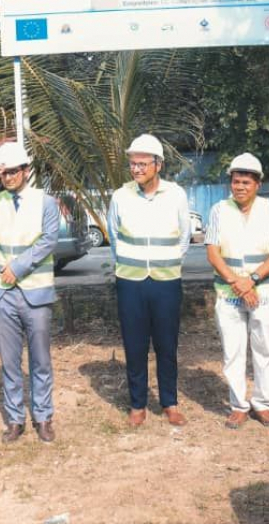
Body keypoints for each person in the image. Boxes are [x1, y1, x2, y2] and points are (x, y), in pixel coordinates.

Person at [0, 142, 58, 444]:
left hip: (35, 291)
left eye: (13, 171)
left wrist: (19, 267)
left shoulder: (45, 202)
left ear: (26, 171)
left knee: (40, 360)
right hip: (2, 294)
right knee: (9, 362)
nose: (8, 177)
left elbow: (48, 240)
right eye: (3, 172)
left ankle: (44, 417)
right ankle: (15, 419)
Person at [109, 134, 191, 427]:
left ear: (159, 165)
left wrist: (166, 262)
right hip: (130, 281)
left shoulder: (176, 195)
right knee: (134, 344)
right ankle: (137, 404)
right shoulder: (120, 196)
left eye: (143, 163)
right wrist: (131, 263)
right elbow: (114, 237)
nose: (136, 169)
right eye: (133, 164)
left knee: (167, 345)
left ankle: (169, 402)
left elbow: (184, 236)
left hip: (166, 281)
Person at [205, 153, 269, 428]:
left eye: (245, 182)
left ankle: (263, 405)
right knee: (233, 351)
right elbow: (213, 253)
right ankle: (239, 405)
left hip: (262, 292)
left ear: (257, 185)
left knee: (263, 349)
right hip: (229, 294)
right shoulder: (219, 210)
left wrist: (251, 280)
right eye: (235, 181)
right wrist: (237, 283)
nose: (239, 187)